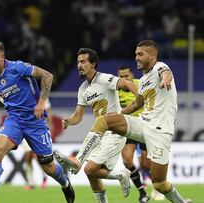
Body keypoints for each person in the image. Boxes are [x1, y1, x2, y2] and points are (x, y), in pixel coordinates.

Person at [55, 40, 191, 203]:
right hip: (143, 123)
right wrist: (119, 115)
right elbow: (136, 104)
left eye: (140, 54)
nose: (136, 58)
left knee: (159, 183)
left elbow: (166, 73)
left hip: (160, 131)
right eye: (135, 54)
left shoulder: (159, 68)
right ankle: (78, 160)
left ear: (152, 56)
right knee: (104, 121)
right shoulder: (144, 79)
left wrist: (166, 80)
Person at [0, 41, 75, 203]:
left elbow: (48, 76)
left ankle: (65, 183)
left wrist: (41, 103)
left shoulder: (18, 68)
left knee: (49, 168)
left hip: (35, 122)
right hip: (14, 120)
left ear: (2, 57)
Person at [55, 48, 138, 202]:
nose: (79, 65)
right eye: (78, 62)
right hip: (101, 133)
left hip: (115, 131)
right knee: (91, 173)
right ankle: (120, 174)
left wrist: (140, 97)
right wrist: (68, 121)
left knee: (88, 168)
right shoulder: (83, 89)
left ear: (93, 64)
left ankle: (77, 161)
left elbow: (126, 83)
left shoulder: (104, 79)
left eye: (83, 62)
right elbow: (78, 116)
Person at [117, 65, 151, 202]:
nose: (124, 79)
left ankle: (158, 183)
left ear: (132, 75)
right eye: (121, 77)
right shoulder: (115, 90)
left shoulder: (140, 85)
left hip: (144, 127)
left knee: (146, 164)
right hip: (128, 128)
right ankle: (142, 192)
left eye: (126, 76)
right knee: (127, 160)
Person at [21, 99, 51, 190]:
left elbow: (48, 113)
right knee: (27, 156)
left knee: (37, 156)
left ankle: (44, 177)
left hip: (38, 130)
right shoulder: (23, 93)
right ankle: (30, 182)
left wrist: (48, 129)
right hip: (25, 128)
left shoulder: (42, 96)